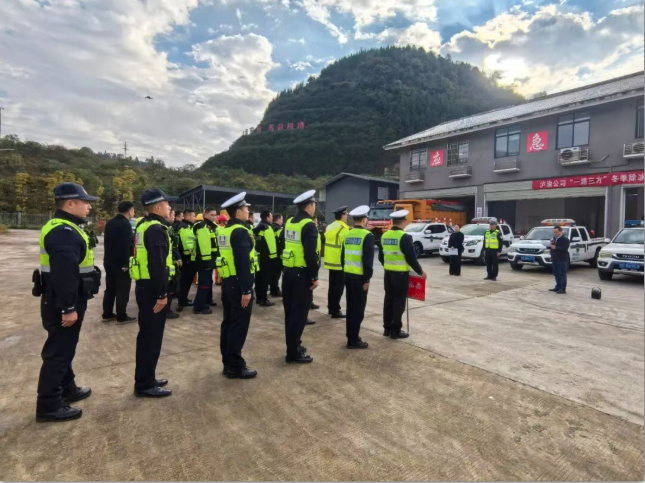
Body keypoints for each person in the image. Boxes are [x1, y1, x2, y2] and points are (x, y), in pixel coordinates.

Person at [36, 182, 101, 422]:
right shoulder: (64, 232)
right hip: (62, 301)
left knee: (64, 348)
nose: (88, 207)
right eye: (85, 202)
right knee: (59, 353)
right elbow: (64, 275)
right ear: (70, 203)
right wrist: (68, 308)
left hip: (61, 299)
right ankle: (49, 405)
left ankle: (67, 388)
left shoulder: (64, 227)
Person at [130, 189, 178, 398]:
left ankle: (147, 377)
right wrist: (162, 294)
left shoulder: (143, 225)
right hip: (152, 290)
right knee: (151, 338)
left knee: (147, 336)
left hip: (144, 286)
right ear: (158, 207)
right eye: (167, 204)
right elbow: (157, 264)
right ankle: (145, 384)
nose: (170, 207)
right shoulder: (157, 229)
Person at [217, 192, 258, 379]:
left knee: (228, 323)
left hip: (228, 282)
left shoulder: (224, 230)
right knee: (238, 325)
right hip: (239, 284)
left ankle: (228, 362)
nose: (248, 211)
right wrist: (246, 290)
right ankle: (235, 366)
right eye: (246, 208)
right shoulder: (240, 231)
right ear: (238, 211)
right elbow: (242, 263)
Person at [280, 190, 320, 363]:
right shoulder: (309, 225)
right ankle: (293, 353)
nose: (314, 208)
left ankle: (293, 345)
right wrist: (314, 276)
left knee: (290, 314)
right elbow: (310, 254)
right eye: (314, 205)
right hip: (301, 275)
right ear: (309, 206)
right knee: (299, 315)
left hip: (288, 272)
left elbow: (283, 244)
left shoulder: (289, 222)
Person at [378, 210, 426, 339]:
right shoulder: (405, 237)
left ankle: (387, 328)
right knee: (399, 302)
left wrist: (388, 265)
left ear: (393, 221)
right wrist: (420, 271)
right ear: (403, 222)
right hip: (400, 275)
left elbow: (381, 257)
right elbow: (411, 258)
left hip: (388, 274)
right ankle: (395, 331)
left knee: (388, 300)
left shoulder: (384, 236)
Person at [102, 201, 136, 324]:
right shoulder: (125, 224)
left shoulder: (110, 223)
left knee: (110, 289)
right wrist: (126, 264)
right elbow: (125, 246)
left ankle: (107, 314)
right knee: (122, 290)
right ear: (130, 211)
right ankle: (121, 316)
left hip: (109, 261)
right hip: (121, 263)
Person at [324, 206, 349, 318]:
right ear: (342, 215)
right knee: (338, 287)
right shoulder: (344, 228)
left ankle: (331, 308)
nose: (347, 216)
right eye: (346, 214)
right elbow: (345, 245)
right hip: (339, 261)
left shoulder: (329, 226)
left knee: (332, 286)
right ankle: (335, 310)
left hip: (330, 260)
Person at [193, 209, 218, 314]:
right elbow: (204, 246)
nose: (214, 217)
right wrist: (207, 261)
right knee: (204, 283)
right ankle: (199, 307)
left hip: (209, 259)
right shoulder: (203, 227)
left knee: (208, 282)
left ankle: (205, 302)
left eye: (215, 215)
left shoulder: (211, 226)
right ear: (205, 215)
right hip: (205, 260)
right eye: (211, 215)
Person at [254, 210, 278, 307]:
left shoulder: (258, 227)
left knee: (258, 279)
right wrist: (274, 260)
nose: (272, 218)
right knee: (264, 280)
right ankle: (264, 300)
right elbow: (271, 245)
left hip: (258, 257)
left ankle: (259, 298)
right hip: (266, 258)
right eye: (271, 216)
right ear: (267, 217)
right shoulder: (267, 228)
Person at [176, 209, 197, 310]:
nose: (194, 218)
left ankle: (183, 299)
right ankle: (182, 301)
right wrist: (192, 256)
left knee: (184, 280)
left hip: (181, 257)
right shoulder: (185, 227)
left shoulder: (180, 225)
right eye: (193, 216)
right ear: (187, 216)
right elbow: (187, 245)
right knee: (185, 281)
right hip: (186, 258)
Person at [165, 208, 181, 319]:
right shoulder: (166, 228)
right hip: (167, 265)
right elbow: (173, 246)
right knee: (169, 288)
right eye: (173, 215)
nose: (174, 217)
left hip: (167, 263)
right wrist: (178, 257)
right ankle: (166, 310)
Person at [549, 225, 570, 294]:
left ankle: (563, 289)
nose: (555, 233)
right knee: (556, 274)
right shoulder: (553, 239)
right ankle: (558, 286)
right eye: (554, 232)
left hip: (561, 259)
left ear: (561, 232)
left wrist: (556, 247)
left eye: (556, 232)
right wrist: (549, 247)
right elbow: (552, 247)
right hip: (554, 259)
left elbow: (564, 248)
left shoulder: (565, 239)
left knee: (562, 274)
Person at [270, 213, 284, 297]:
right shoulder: (278, 229)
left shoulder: (270, 227)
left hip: (271, 254)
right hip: (278, 254)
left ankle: (273, 289)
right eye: (282, 219)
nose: (282, 221)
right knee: (276, 274)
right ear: (278, 219)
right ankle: (275, 290)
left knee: (272, 274)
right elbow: (281, 241)